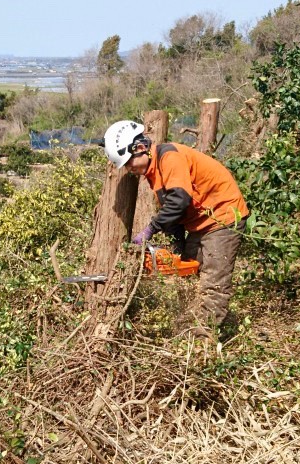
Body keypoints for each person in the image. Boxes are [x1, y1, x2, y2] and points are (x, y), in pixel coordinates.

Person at [103, 119, 249, 333]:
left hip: (223, 217)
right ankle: (188, 326)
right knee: (187, 271)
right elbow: (173, 213)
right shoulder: (154, 172)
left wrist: (150, 230)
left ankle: (200, 344)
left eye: (128, 162)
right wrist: (176, 249)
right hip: (200, 224)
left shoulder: (169, 157)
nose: (129, 169)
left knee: (213, 284)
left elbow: (179, 200)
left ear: (141, 148)